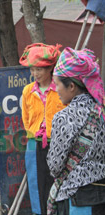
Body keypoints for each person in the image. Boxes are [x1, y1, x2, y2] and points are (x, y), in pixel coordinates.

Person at [46, 47, 105, 215]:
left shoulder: (64, 117)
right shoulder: (102, 111)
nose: (55, 90)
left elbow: (55, 166)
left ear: (71, 86)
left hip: (76, 197)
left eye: (57, 84)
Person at [20, 43, 66, 214]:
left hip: (59, 144)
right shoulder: (27, 91)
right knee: (36, 184)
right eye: (32, 70)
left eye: (39, 69)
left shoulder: (61, 88)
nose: (35, 74)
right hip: (34, 143)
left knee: (58, 182)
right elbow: (25, 118)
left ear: (50, 68)